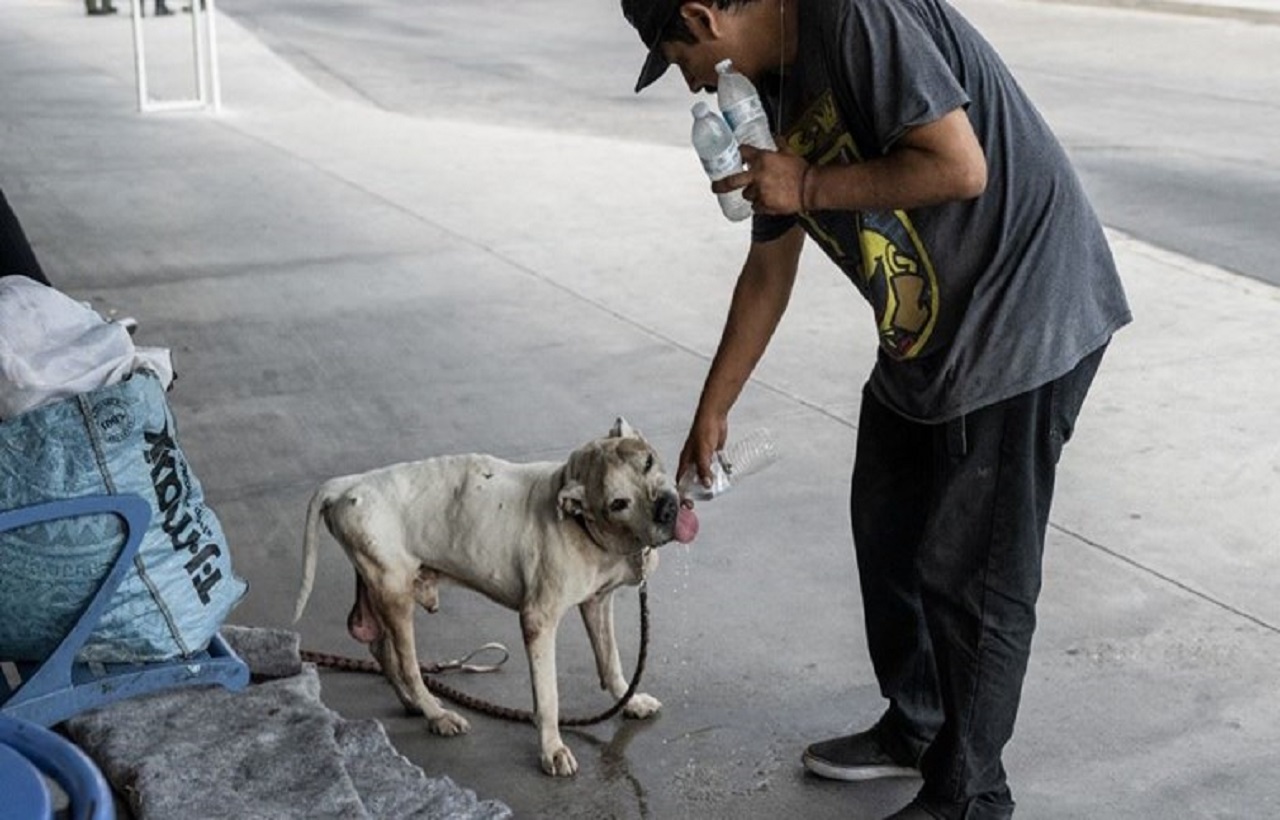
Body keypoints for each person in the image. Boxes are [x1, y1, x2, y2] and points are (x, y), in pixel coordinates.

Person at [620, 1, 1131, 818]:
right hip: (926, 328)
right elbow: (770, 267)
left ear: (701, 14)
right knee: (887, 526)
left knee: (975, 575)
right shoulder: (769, 96)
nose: (689, 78)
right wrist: (713, 407)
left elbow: (961, 167)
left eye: (674, 53)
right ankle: (918, 725)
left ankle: (969, 795)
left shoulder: (853, 14)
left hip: (1021, 308)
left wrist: (811, 182)